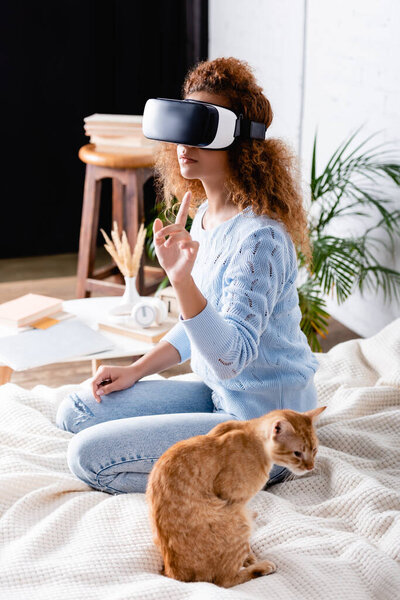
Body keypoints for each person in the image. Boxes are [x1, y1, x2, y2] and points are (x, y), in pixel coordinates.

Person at [56, 56, 319, 495]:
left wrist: (181, 279)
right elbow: (193, 330)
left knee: (88, 456)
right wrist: (135, 371)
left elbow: (229, 358)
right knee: (77, 411)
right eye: (183, 126)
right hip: (220, 396)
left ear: (241, 142)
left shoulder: (261, 240)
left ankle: (237, 474)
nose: (183, 144)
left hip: (269, 426)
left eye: (202, 129)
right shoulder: (203, 219)